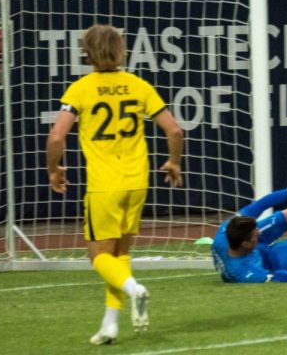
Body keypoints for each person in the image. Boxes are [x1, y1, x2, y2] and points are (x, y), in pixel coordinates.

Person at [46, 24, 184, 345]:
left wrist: (54, 170)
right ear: (122, 50)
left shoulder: (81, 89)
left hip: (104, 185)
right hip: (137, 181)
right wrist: (174, 162)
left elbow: (56, 136)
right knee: (120, 254)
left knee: (98, 257)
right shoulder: (138, 85)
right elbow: (175, 131)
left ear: (87, 53)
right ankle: (110, 324)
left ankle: (135, 289)